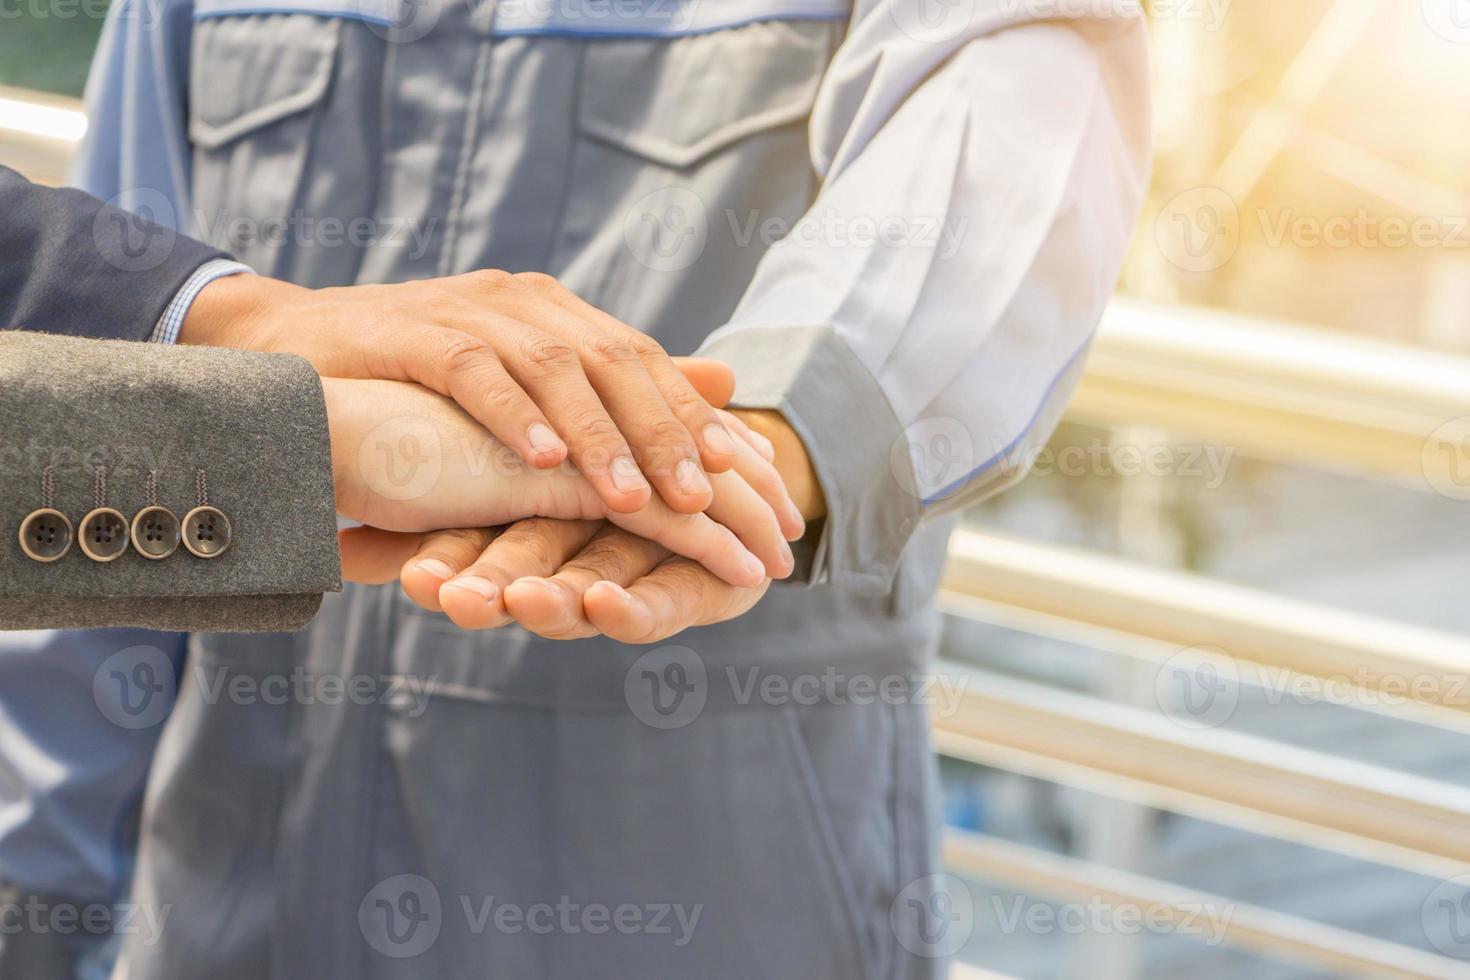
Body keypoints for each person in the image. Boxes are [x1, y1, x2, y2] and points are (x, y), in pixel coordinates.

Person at [77, 0, 1152, 976]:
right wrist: (32, 867)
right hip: (233, 902)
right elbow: (108, 368)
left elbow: (1007, 125)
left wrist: (765, 440)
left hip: (707, 905)